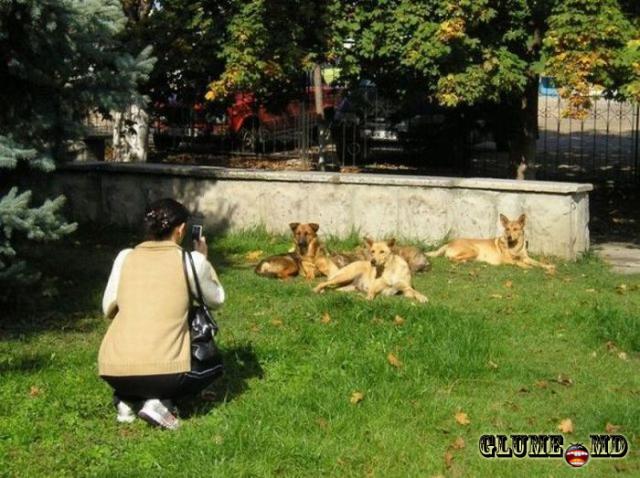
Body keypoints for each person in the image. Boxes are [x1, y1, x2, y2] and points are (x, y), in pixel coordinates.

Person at [98, 198, 225, 430]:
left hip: (113, 371)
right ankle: (161, 401)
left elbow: (108, 307)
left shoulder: (125, 257)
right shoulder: (190, 260)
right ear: (181, 230)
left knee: (136, 371)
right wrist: (203, 260)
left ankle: (127, 398)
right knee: (213, 366)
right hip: (167, 374)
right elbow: (217, 299)